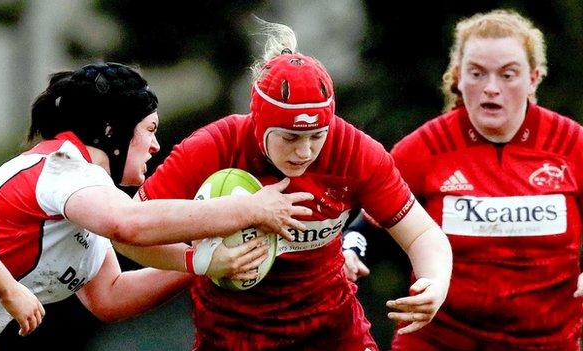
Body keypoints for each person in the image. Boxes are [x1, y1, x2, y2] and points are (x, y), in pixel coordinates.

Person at [134, 21, 452, 351]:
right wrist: (201, 261)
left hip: (335, 334)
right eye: (290, 137)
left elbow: (422, 234)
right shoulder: (214, 147)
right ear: (259, 122)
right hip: (233, 339)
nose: (305, 151)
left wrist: (436, 282)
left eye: (317, 136)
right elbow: (129, 232)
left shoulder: (354, 151)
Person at [0, 62, 314, 351]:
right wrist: (249, 210)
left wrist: (209, 259)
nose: (156, 145)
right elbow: (129, 224)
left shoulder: (84, 202)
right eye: (149, 129)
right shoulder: (64, 165)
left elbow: (110, 296)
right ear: (113, 130)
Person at [345, 9, 583, 351]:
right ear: (458, 78)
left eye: (507, 75)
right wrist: (350, 251)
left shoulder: (570, 144)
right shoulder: (423, 148)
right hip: (438, 340)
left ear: (533, 79)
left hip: (546, 342)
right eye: (477, 73)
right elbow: (366, 225)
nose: (490, 88)